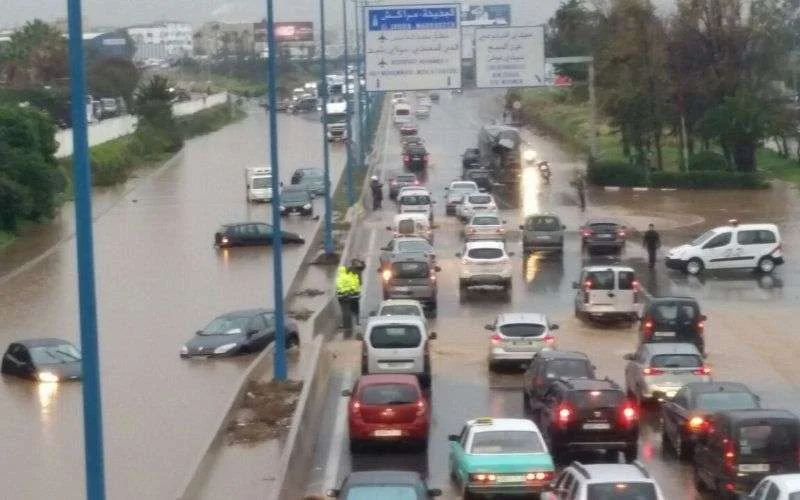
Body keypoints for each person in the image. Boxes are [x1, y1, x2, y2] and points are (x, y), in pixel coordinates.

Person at [336, 266, 361, 334]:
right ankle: (356, 323)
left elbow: (338, 287)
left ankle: (346, 325)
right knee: (354, 311)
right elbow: (354, 286)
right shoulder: (353, 277)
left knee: (344, 311)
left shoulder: (339, 278)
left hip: (341, 297)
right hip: (351, 296)